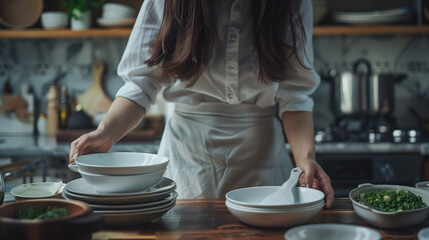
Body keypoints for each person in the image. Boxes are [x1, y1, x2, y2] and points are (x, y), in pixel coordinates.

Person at [69, 0, 335, 208]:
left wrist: (306, 159)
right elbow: (141, 84)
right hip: (187, 156)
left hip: (260, 153)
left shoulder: (291, 3)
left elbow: (295, 96)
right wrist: (106, 132)